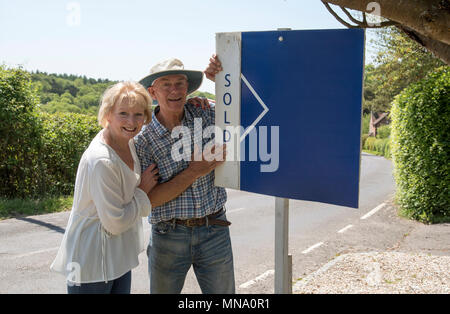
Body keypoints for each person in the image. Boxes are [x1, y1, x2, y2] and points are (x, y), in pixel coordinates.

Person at [50, 81, 209, 294]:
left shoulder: (129, 143)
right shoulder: (101, 161)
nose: (131, 122)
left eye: (138, 114)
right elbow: (115, 223)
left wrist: (190, 103)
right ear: (107, 114)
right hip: (89, 261)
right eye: (123, 113)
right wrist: (142, 191)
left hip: (117, 257)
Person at [135, 57, 234, 294]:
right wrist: (195, 170)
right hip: (168, 235)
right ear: (153, 92)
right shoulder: (143, 140)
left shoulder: (206, 113)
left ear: (188, 88)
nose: (175, 90)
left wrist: (221, 81)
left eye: (180, 83)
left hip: (215, 229)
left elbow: (246, 109)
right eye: (166, 84)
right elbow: (151, 200)